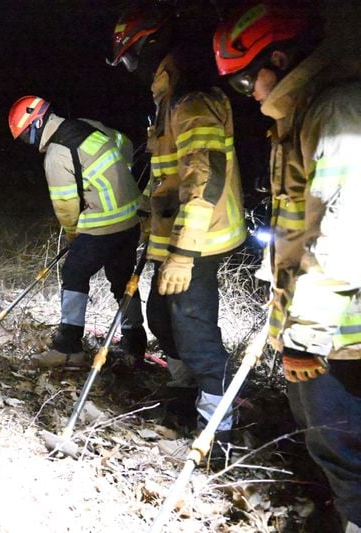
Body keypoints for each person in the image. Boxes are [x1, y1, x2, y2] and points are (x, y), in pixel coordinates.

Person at [214, 2, 360, 529]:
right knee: (322, 432)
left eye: (246, 79)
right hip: (319, 319)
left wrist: (307, 334)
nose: (248, 92)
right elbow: (297, 223)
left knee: (339, 435)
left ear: (279, 56)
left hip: (341, 325)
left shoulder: (337, 109)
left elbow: (345, 228)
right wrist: (281, 308)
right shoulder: (300, 114)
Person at [108, 2, 247, 459]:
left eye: (130, 55)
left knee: (194, 329)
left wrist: (184, 254)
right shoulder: (167, 99)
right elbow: (169, 178)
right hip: (174, 238)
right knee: (161, 317)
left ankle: (217, 431)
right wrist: (152, 221)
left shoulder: (192, 97)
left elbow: (204, 177)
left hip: (199, 240)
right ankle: (183, 398)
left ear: (150, 46)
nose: (130, 67)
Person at [7, 95, 147, 369]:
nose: (28, 143)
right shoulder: (86, 125)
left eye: (25, 136)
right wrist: (121, 177)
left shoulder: (57, 154)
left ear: (36, 125)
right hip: (131, 218)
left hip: (103, 223)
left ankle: (68, 347)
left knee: (74, 272)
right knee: (122, 280)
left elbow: (66, 207)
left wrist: (73, 235)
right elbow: (125, 144)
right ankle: (135, 342)